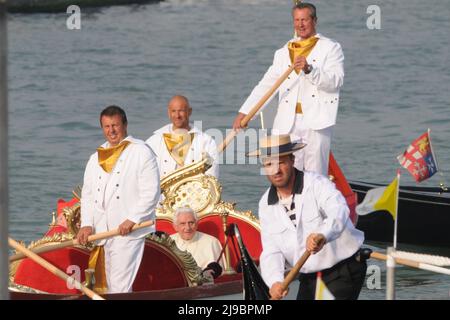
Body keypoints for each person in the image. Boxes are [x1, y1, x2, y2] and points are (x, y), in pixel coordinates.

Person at [248, 135, 366, 300]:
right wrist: (275, 281)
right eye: (269, 164)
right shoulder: (265, 205)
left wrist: (322, 235)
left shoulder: (317, 184)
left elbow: (339, 210)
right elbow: (271, 250)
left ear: (292, 160)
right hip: (308, 276)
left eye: (281, 162)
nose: (276, 170)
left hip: (343, 269)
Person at [233, 2, 344, 176]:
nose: (300, 24)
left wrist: (309, 70)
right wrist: (246, 112)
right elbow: (266, 85)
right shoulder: (283, 52)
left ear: (315, 20)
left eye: (305, 20)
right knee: (283, 172)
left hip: (316, 123)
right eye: (297, 20)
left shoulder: (330, 48)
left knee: (315, 175)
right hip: (286, 123)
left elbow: (335, 82)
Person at [76, 105, 160, 293]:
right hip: (101, 232)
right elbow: (88, 194)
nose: (111, 131)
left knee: (119, 286)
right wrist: (87, 223)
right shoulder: (94, 157)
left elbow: (151, 191)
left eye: (115, 125)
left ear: (125, 125)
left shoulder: (141, 152)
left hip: (127, 231)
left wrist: (133, 219)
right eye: (106, 126)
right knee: (109, 286)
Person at [146, 95, 219, 179]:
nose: (177, 116)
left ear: (189, 111)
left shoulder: (206, 141)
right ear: (168, 113)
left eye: (181, 111)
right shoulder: (154, 141)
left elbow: (211, 176)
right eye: (173, 111)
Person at [170, 206, 225, 278]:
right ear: (175, 226)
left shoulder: (212, 242)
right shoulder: (168, 242)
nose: (188, 228)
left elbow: (220, 275)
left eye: (191, 223)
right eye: (182, 224)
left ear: (196, 224)